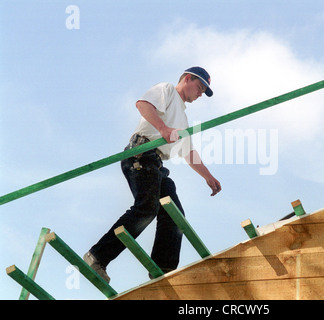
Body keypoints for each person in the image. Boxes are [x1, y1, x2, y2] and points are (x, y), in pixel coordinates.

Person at [83, 67, 221, 283]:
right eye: (200, 87)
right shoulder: (166, 89)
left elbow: (188, 151)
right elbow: (143, 104)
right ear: (187, 79)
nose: (200, 93)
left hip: (155, 163)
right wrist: (163, 128)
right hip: (141, 153)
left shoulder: (182, 118)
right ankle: (96, 257)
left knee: (174, 213)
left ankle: (163, 268)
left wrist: (208, 177)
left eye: (204, 91)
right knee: (147, 208)